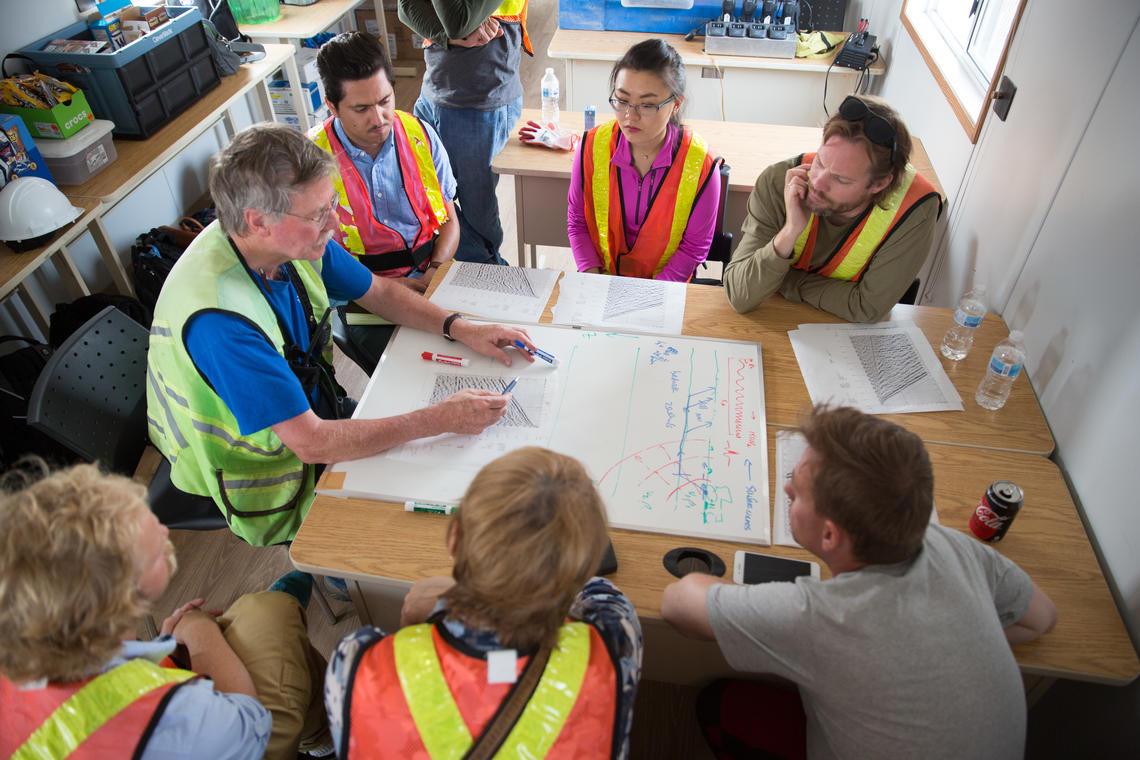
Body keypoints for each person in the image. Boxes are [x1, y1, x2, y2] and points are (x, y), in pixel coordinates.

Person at [146, 123, 535, 547]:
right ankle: (333, 577)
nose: (335, 222)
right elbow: (312, 444)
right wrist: (441, 418)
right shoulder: (221, 323)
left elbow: (379, 291)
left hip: (313, 412)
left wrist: (461, 328)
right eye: (318, 214)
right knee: (395, 539)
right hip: (264, 473)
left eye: (331, 204)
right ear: (257, 221)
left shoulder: (293, 240)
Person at [661, 405, 1058, 759]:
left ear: (830, 535)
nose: (785, 488)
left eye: (796, 490)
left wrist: (755, 610)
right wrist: (944, 637)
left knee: (721, 704)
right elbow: (1040, 617)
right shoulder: (951, 544)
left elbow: (677, 605)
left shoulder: (820, 617)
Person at [324, 447, 643, 758]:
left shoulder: (356, 662)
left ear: (454, 539)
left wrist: (445, 606)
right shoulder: (612, 636)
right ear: (583, 563)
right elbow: (596, 590)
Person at [0, 463, 331, 760]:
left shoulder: (29, 647)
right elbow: (248, 722)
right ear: (118, 602)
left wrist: (165, 648)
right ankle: (331, 736)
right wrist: (199, 632)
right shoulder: (148, 713)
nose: (162, 530)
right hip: (237, 734)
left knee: (243, 628)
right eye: (158, 551)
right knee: (267, 613)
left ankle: (325, 736)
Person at [312, 30, 460, 371]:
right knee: (407, 374)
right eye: (361, 108)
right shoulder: (310, 160)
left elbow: (450, 220)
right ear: (332, 106)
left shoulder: (420, 134)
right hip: (360, 295)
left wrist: (434, 271)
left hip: (433, 274)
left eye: (385, 101)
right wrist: (384, 288)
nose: (378, 118)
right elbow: (311, 264)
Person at [723, 95, 941, 321]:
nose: (816, 182)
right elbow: (740, 295)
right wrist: (790, 231)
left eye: (841, 179)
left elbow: (866, 308)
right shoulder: (780, 180)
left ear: (880, 184)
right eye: (820, 162)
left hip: (843, 333)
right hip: (777, 319)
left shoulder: (915, 211)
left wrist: (783, 280)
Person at [567, 38, 722, 282]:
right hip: (601, 282)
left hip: (665, 291)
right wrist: (592, 282)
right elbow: (578, 222)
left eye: (647, 105)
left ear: (675, 105)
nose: (630, 116)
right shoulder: (591, 146)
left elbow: (693, 248)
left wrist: (647, 301)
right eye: (622, 100)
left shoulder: (701, 164)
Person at [397, 0, 530, 266]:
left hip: (478, 96)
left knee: (475, 206)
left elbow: (457, 21)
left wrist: (455, 30)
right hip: (435, 87)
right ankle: (473, 264)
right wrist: (450, 37)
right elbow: (407, 7)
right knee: (421, 191)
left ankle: (488, 272)